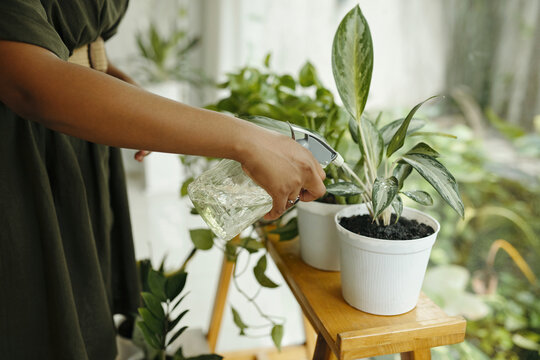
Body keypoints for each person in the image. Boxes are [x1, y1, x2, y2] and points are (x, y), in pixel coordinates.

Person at [0, 1, 326, 359]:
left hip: (75, 153)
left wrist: (116, 88)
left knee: (81, 317)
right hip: (19, 163)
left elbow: (62, 41)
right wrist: (246, 140)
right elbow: (30, 82)